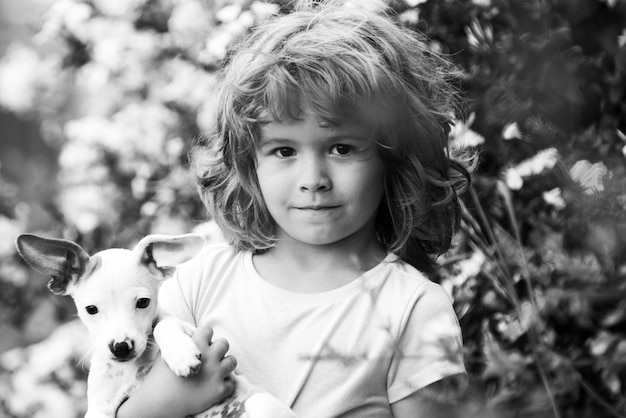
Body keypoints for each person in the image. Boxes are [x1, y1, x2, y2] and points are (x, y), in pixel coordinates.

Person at [117, 1, 470, 417]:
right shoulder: (199, 283)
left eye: (342, 148)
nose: (313, 178)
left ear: (394, 156)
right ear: (250, 164)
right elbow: (111, 400)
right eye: (284, 150)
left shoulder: (412, 308)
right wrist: (155, 406)